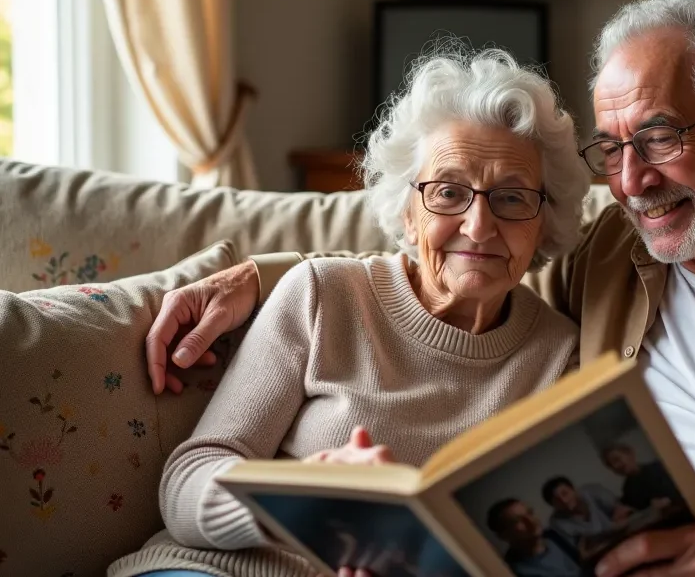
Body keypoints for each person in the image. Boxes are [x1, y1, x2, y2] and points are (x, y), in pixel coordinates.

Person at [148, 0, 695, 577]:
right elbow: (443, 268)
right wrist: (266, 277)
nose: (631, 181)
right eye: (610, 150)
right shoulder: (609, 256)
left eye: (657, 138)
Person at [106, 47, 592, 577]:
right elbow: (185, 483)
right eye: (448, 192)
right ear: (408, 215)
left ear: (546, 223)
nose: (478, 225)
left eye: (513, 198)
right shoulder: (323, 294)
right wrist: (302, 500)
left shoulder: (558, 360)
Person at [487, 498, 581, 577]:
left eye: (530, 513)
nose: (531, 521)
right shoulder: (513, 571)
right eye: (518, 520)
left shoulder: (555, 536)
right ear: (504, 535)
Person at [541, 476, 633, 550]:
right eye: (557, 501)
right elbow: (580, 547)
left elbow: (621, 509)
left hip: (625, 536)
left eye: (565, 493)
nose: (564, 501)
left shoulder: (592, 491)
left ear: (573, 489)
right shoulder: (557, 522)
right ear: (553, 506)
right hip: (601, 551)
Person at [600, 444, 682, 512]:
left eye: (617, 460)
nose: (616, 466)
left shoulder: (660, 468)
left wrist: (668, 500)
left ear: (630, 454)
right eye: (611, 466)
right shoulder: (627, 489)